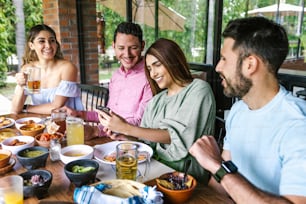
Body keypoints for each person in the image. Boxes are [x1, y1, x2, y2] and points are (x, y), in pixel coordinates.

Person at [189, 17, 306, 203]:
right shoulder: (239, 110)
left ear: (250, 64)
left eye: (224, 59)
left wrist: (218, 166)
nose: (218, 67)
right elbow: (218, 187)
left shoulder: (298, 125)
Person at [98, 38, 216, 183]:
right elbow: (148, 143)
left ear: (173, 60)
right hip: (155, 170)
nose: (153, 74)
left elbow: (177, 137)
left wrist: (127, 128)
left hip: (186, 178)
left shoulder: (198, 90)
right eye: (149, 68)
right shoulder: (156, 101)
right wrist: (125, 135)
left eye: (157, 65)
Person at [65, 22, 153, 138]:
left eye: (133, 48)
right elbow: (109, 115)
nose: (127, 54)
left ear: (142, 46)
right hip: (109, 140)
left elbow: (140, 122)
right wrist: (80, 114)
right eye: (121, 48)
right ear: (114, 46)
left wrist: (96, 131)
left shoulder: (150, 77)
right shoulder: (116, 76)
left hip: (132, 144)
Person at [11, 24, 83, 114]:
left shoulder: (67, 68)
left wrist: (26, 108)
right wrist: (21, 86)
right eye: (42, 41)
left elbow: (57, 106)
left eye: (52, 40)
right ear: (31, 45)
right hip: (39, 124)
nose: (48, 45)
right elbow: (15, 110)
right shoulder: (28, 69)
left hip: (66, 122)